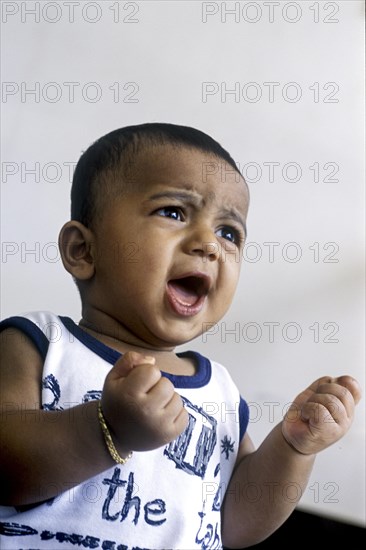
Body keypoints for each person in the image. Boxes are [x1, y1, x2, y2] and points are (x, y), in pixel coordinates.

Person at [0, 123, 361, 550]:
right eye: (173, 212)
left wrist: (294, 449)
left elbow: (235, 525)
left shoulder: (220, 392)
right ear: (83, 250)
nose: (209, 244)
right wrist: (107, 431)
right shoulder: (39, 344)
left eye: (229, 233)